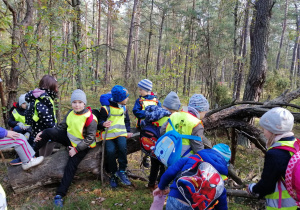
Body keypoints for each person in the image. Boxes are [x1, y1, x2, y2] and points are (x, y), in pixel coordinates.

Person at [34, 89, 98, 207]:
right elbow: (61, 127)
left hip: (83, 145)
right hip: (70, 139)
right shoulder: (70, 113)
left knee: (70, 167)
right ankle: (30, 154)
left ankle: (60, 194)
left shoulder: (91, 118)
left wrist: (76, 149)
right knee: (48, 131)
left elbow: (90, 138)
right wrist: (43, 133)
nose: (77, 105)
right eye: (74, 102)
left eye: (79, 102)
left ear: (84, 103)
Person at [247, 107, 298, 210]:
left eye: (264, 128)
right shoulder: (296, 144)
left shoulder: (275, 153)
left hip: (282, 206)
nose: (263, 132)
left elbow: (267, 186)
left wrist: (252, 188)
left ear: (273, 130)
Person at [153, 143, 231, 210]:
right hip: (196, 206)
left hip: (175, 197)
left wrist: (161, 187)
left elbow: (170, 172)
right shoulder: (220, 176)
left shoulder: (192, 158)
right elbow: (221, 198)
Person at [141, 91, 181, 189]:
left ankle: (151, 184)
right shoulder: (171, 117)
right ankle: (161, 184)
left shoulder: (154, 114)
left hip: (153, 145)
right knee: (163, 166)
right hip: (165, 147)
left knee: (154, 166)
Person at [97, 85, 133, 188]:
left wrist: (128, 131)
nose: (128, 98)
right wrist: (103, 124)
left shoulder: (124, 108)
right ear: (120, 99)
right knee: (110, 151)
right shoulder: (105, 108)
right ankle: (113, 174)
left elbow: (126, 120)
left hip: (121, 133)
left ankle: (122, 171)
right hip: (108, 136)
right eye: (126, 97)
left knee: (122, 147)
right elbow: (100, 122)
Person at [160, 94, 210, 158]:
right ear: (200, 111)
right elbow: (197, 148)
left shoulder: (174, 115)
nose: (204, 115)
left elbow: (162, 131)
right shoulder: (196, 124)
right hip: (184, 161)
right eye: (205, 113)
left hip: (168, 155)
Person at [25, 75, 58, 157]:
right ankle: (44, 160)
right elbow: (44, 114)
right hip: (43, 127)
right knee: (51, 140)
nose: (56, 88)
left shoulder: (37, 95)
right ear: (50, 85)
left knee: (42, 143)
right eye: (55, 85)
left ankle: (43, 159)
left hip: (38, 126)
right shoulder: (44, 97)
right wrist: (53, 127)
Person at [132, 79, 161, 168]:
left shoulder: (156, 101)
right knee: (144, 140)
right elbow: (136, 111)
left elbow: (160, 112)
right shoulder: (139, 100)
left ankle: (149, 156)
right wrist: (147, 114)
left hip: (153, 126)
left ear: (148, 90)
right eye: (139, 89)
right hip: (143, 126)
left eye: (141, 90)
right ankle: (145, 157)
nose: (139, 91)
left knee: (152, 141)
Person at [8, 94, 32, 165]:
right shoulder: (15, 111)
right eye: (24, 103)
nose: (26, 105)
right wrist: (17, 123)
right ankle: (19, 157)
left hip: (30, 131)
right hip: (19, 131)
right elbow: (10, 122)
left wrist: (29, 132)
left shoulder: (30, 110)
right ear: (21, 103)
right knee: (17, 130)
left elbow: (34, 123)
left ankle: (31, 156)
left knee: (31, 140)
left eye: (27, 103)